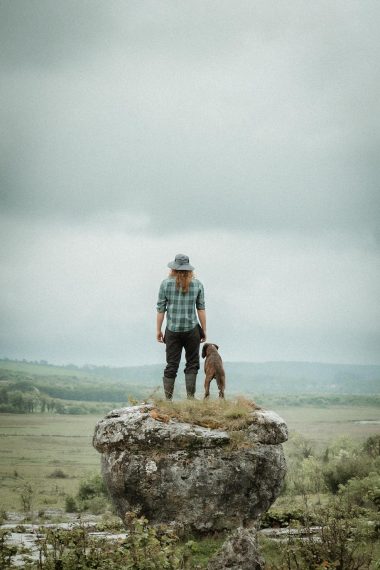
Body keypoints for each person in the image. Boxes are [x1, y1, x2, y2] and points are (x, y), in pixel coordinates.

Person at [156, 253, 206, 400]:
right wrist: (204, 329)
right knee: (192, 364)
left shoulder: (165, 284)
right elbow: (201, 309)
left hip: (172, 330)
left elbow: (160, 309)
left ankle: (168, 400)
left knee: (171, 364)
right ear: (189, 269)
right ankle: (190, 399)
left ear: (173, 268)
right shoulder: (198, 284)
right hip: (192, 330)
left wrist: (158, 330)